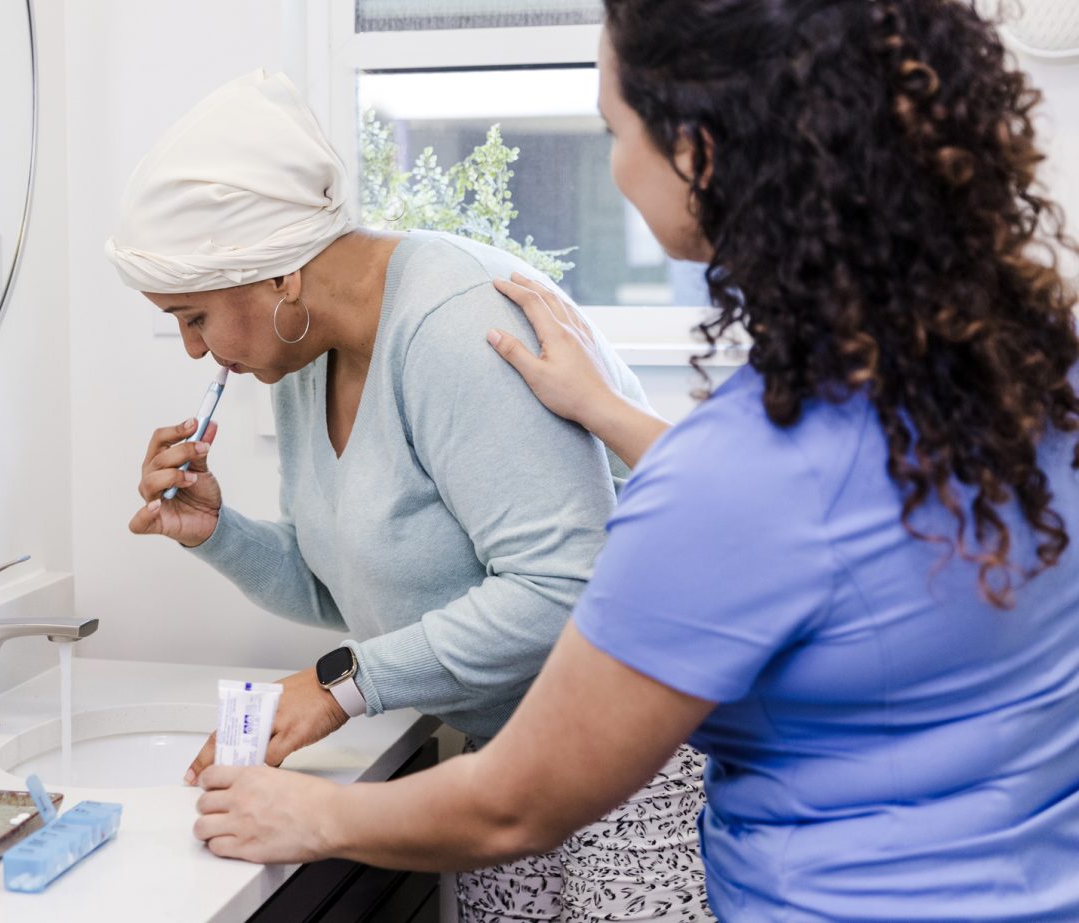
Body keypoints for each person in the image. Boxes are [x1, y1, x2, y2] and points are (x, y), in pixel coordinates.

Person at [190, 0, 1079, 922]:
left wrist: (306, 815)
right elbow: (833, 521)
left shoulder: (741, 473)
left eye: (614, 128)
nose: (612, 167)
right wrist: (609, 413)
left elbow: (514, 805)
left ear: (698, 151)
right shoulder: (1023, 366)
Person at [108, 69, 713, 920]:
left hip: (640, 753)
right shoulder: (301, 352)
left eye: (194, 315)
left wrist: (338, 685)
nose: (192, 349)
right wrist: (219, 533)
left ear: (279, 275)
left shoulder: (458, 327)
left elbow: (566, 589)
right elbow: (362, 589)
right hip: (513, 749)